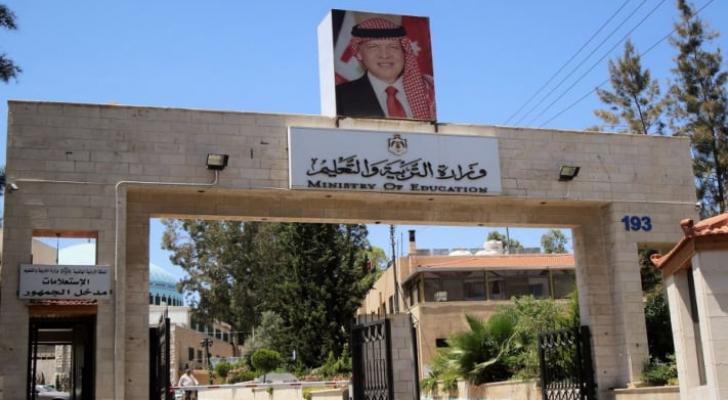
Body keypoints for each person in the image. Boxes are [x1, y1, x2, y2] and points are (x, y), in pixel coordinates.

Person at [336, 17, 436, 121]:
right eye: (373, 46)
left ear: (404, 52)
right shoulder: (339, 98)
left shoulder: (430, 92)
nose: (385, 55)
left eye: (393, 47)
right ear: (358, 53)